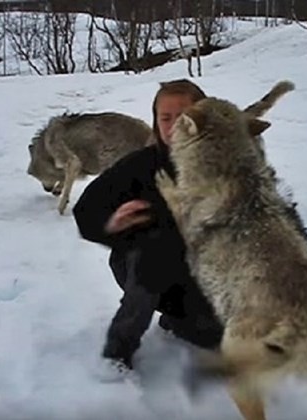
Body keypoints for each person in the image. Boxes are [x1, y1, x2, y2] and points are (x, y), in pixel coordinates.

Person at [72, 79, 224, 374]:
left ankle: (175, 317)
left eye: (184, 116)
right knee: (156, 251)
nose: (173, 125)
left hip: (195, 276)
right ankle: (119, 349)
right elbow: (85, 212)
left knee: (213, 338)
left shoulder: (224, 166)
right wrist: (113, 224)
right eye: (165, 118)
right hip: (139, 266)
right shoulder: (139, 166)